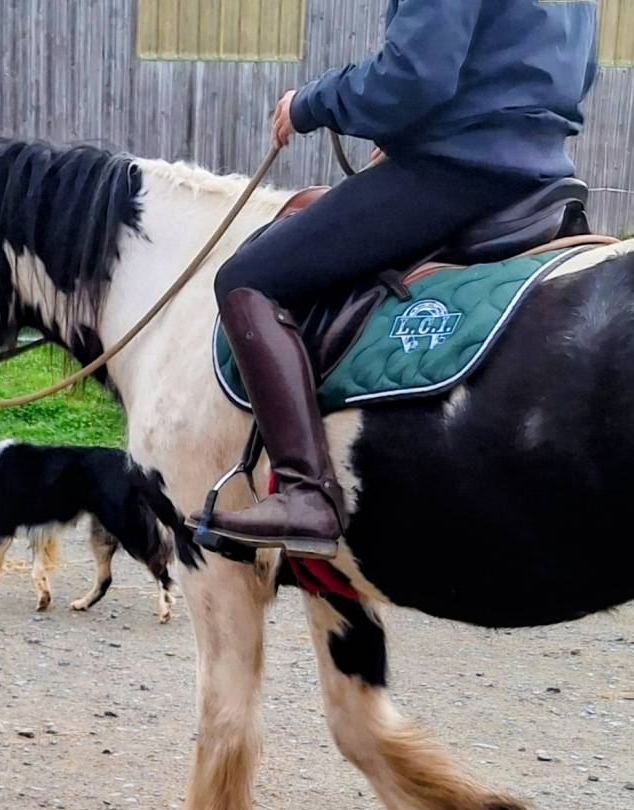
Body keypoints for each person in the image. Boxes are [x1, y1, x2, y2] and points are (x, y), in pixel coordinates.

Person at [195, 0, 598, 559]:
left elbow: (413, 76)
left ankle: (306, 492)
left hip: (455, 174)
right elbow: (571, 72)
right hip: (544, 174)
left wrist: (308, 103)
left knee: (246, 280)